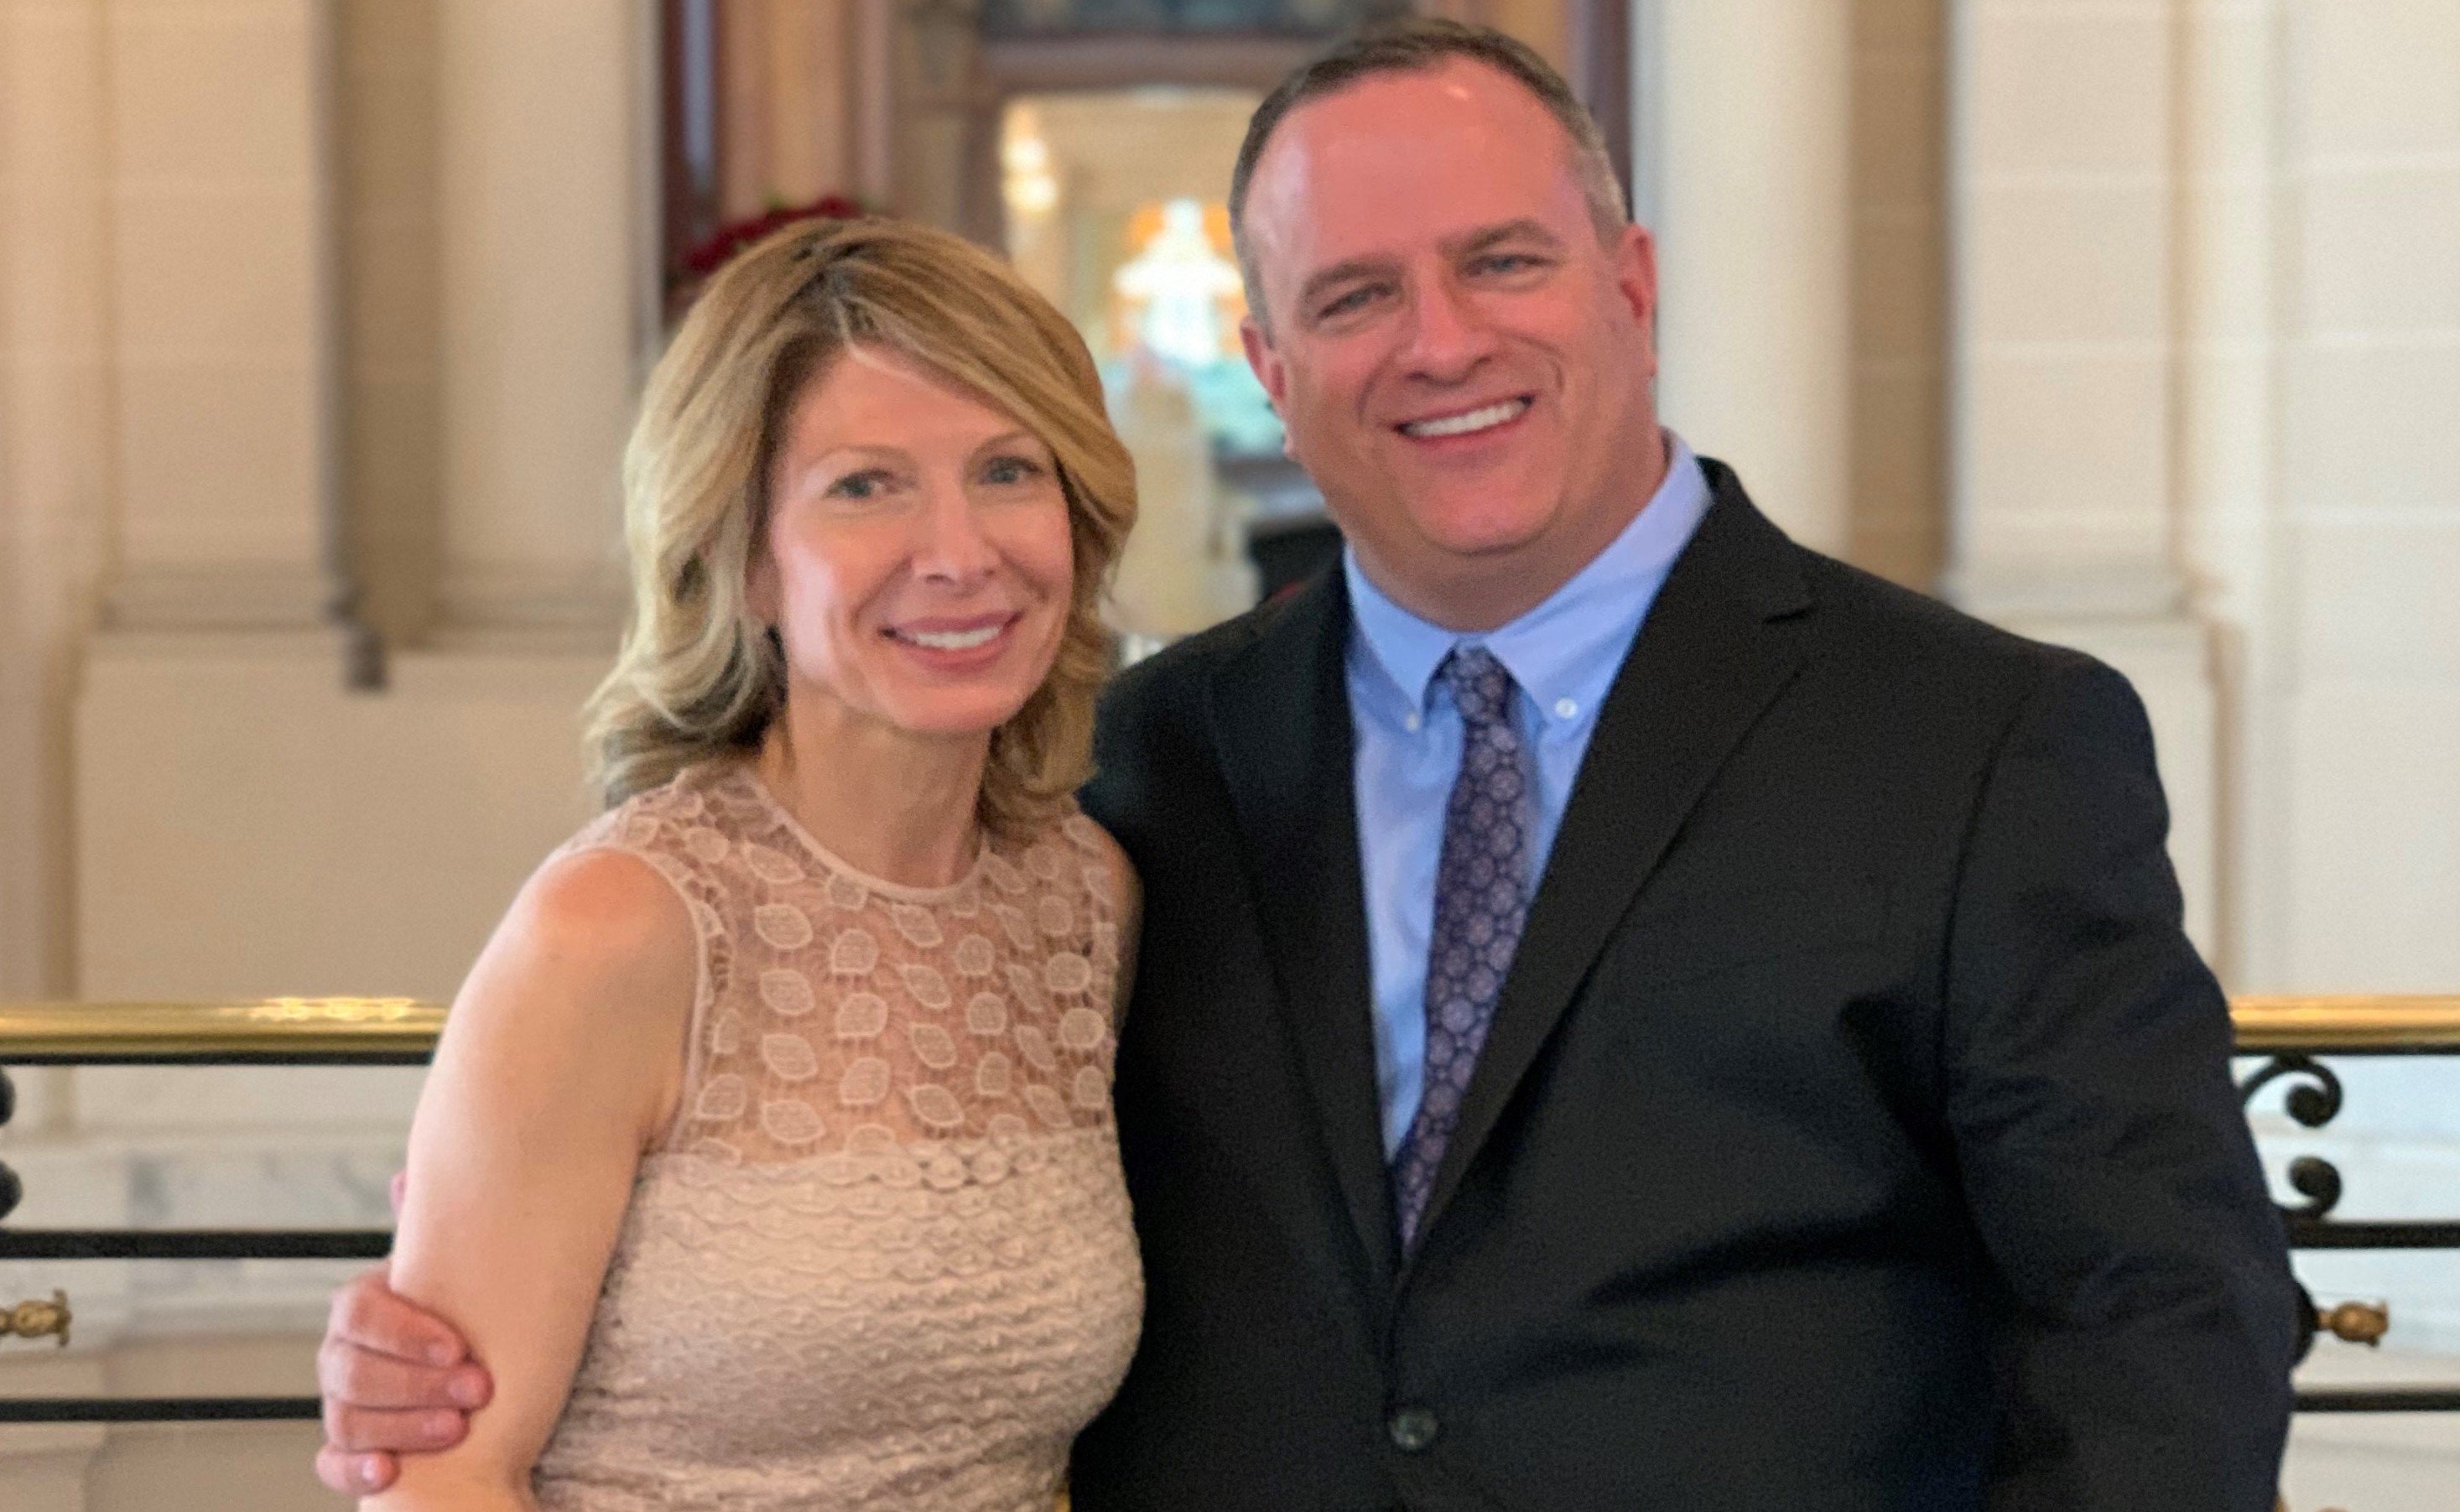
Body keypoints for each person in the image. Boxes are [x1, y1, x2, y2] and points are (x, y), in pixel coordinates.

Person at [320, 20, 2301, 1511]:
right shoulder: (1155, 760)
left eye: (1502, 262)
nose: (1438, 342)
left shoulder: (1976, 742)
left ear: (1629, 282)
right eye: (1354, 295)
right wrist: (460, 1315)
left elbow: (2163, 1321)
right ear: (1270, 365)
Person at [341, 216, 1143, 1509]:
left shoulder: (1087, 901)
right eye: (865, 487)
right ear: (745, 562)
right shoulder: (618, 926)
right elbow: (438, 1478)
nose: (959, 554)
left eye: (1007, 470)